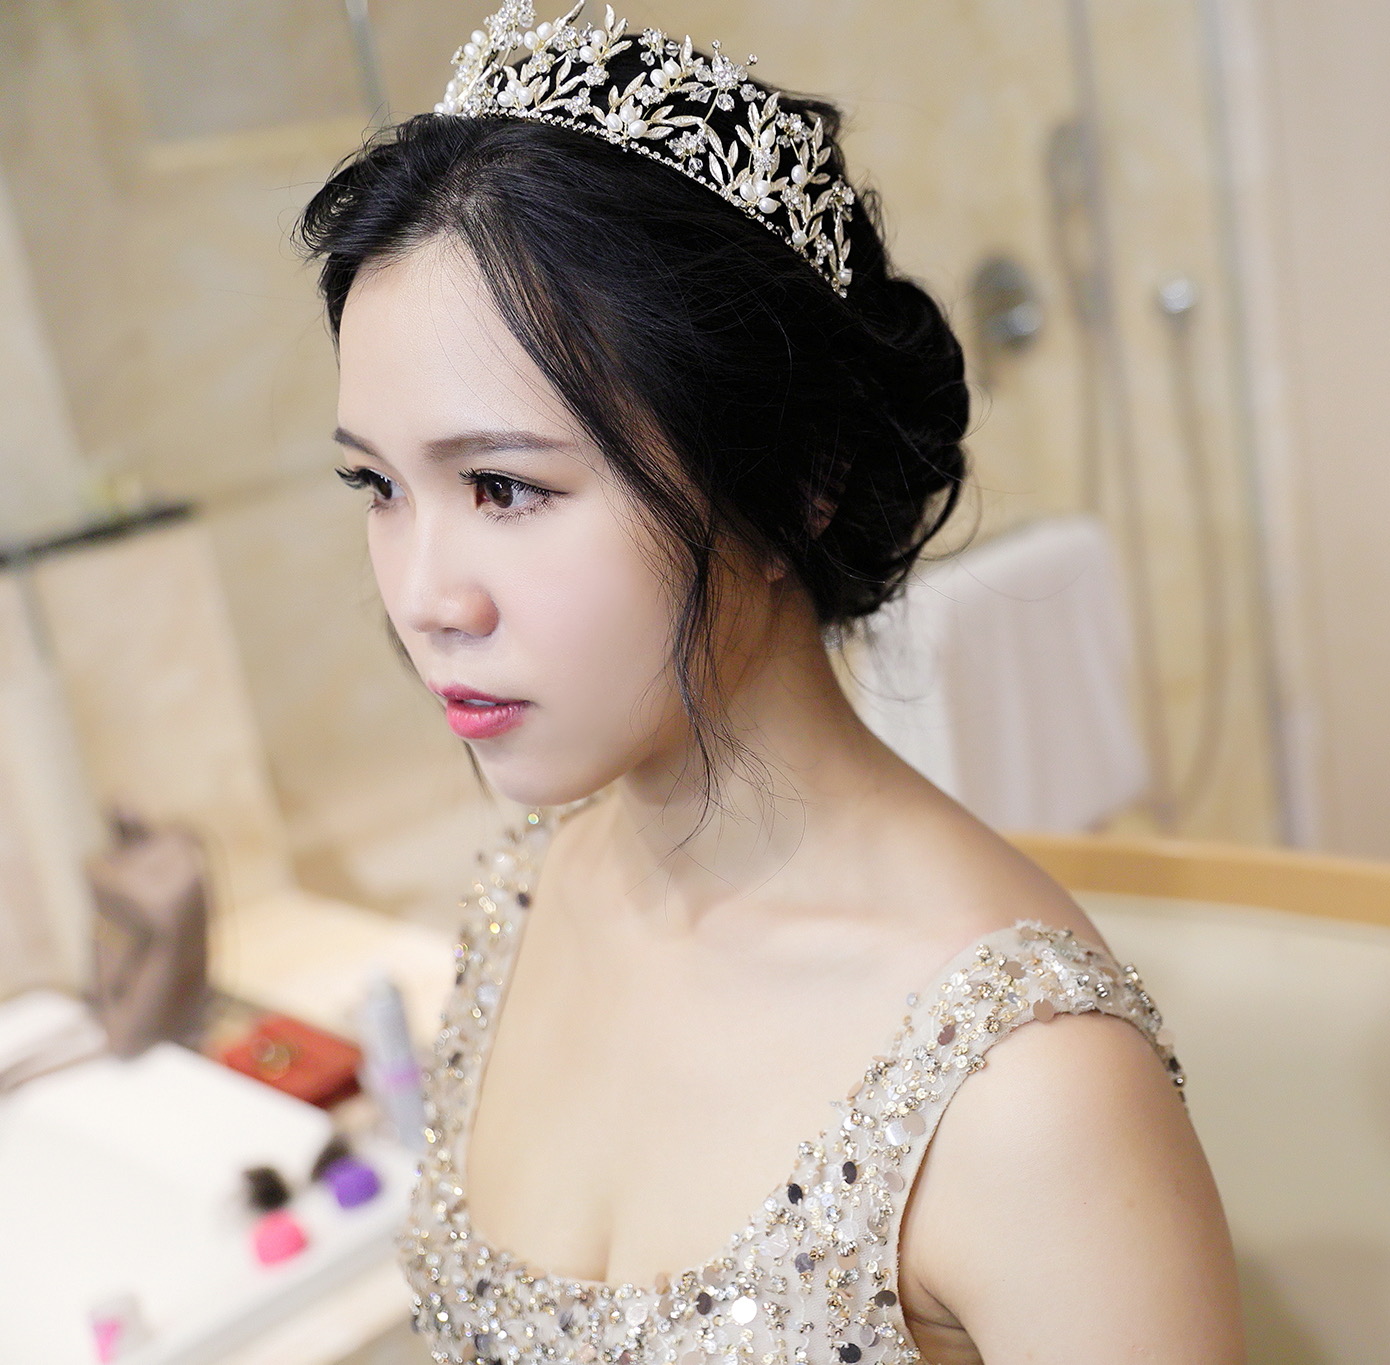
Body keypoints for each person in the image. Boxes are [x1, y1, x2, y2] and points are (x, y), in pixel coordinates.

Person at [296, 4, 1242, 1362]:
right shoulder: (526, 895)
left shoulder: (1027, 1086)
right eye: (378, 487)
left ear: (801, 478)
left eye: (503, 487)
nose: (425, 597)